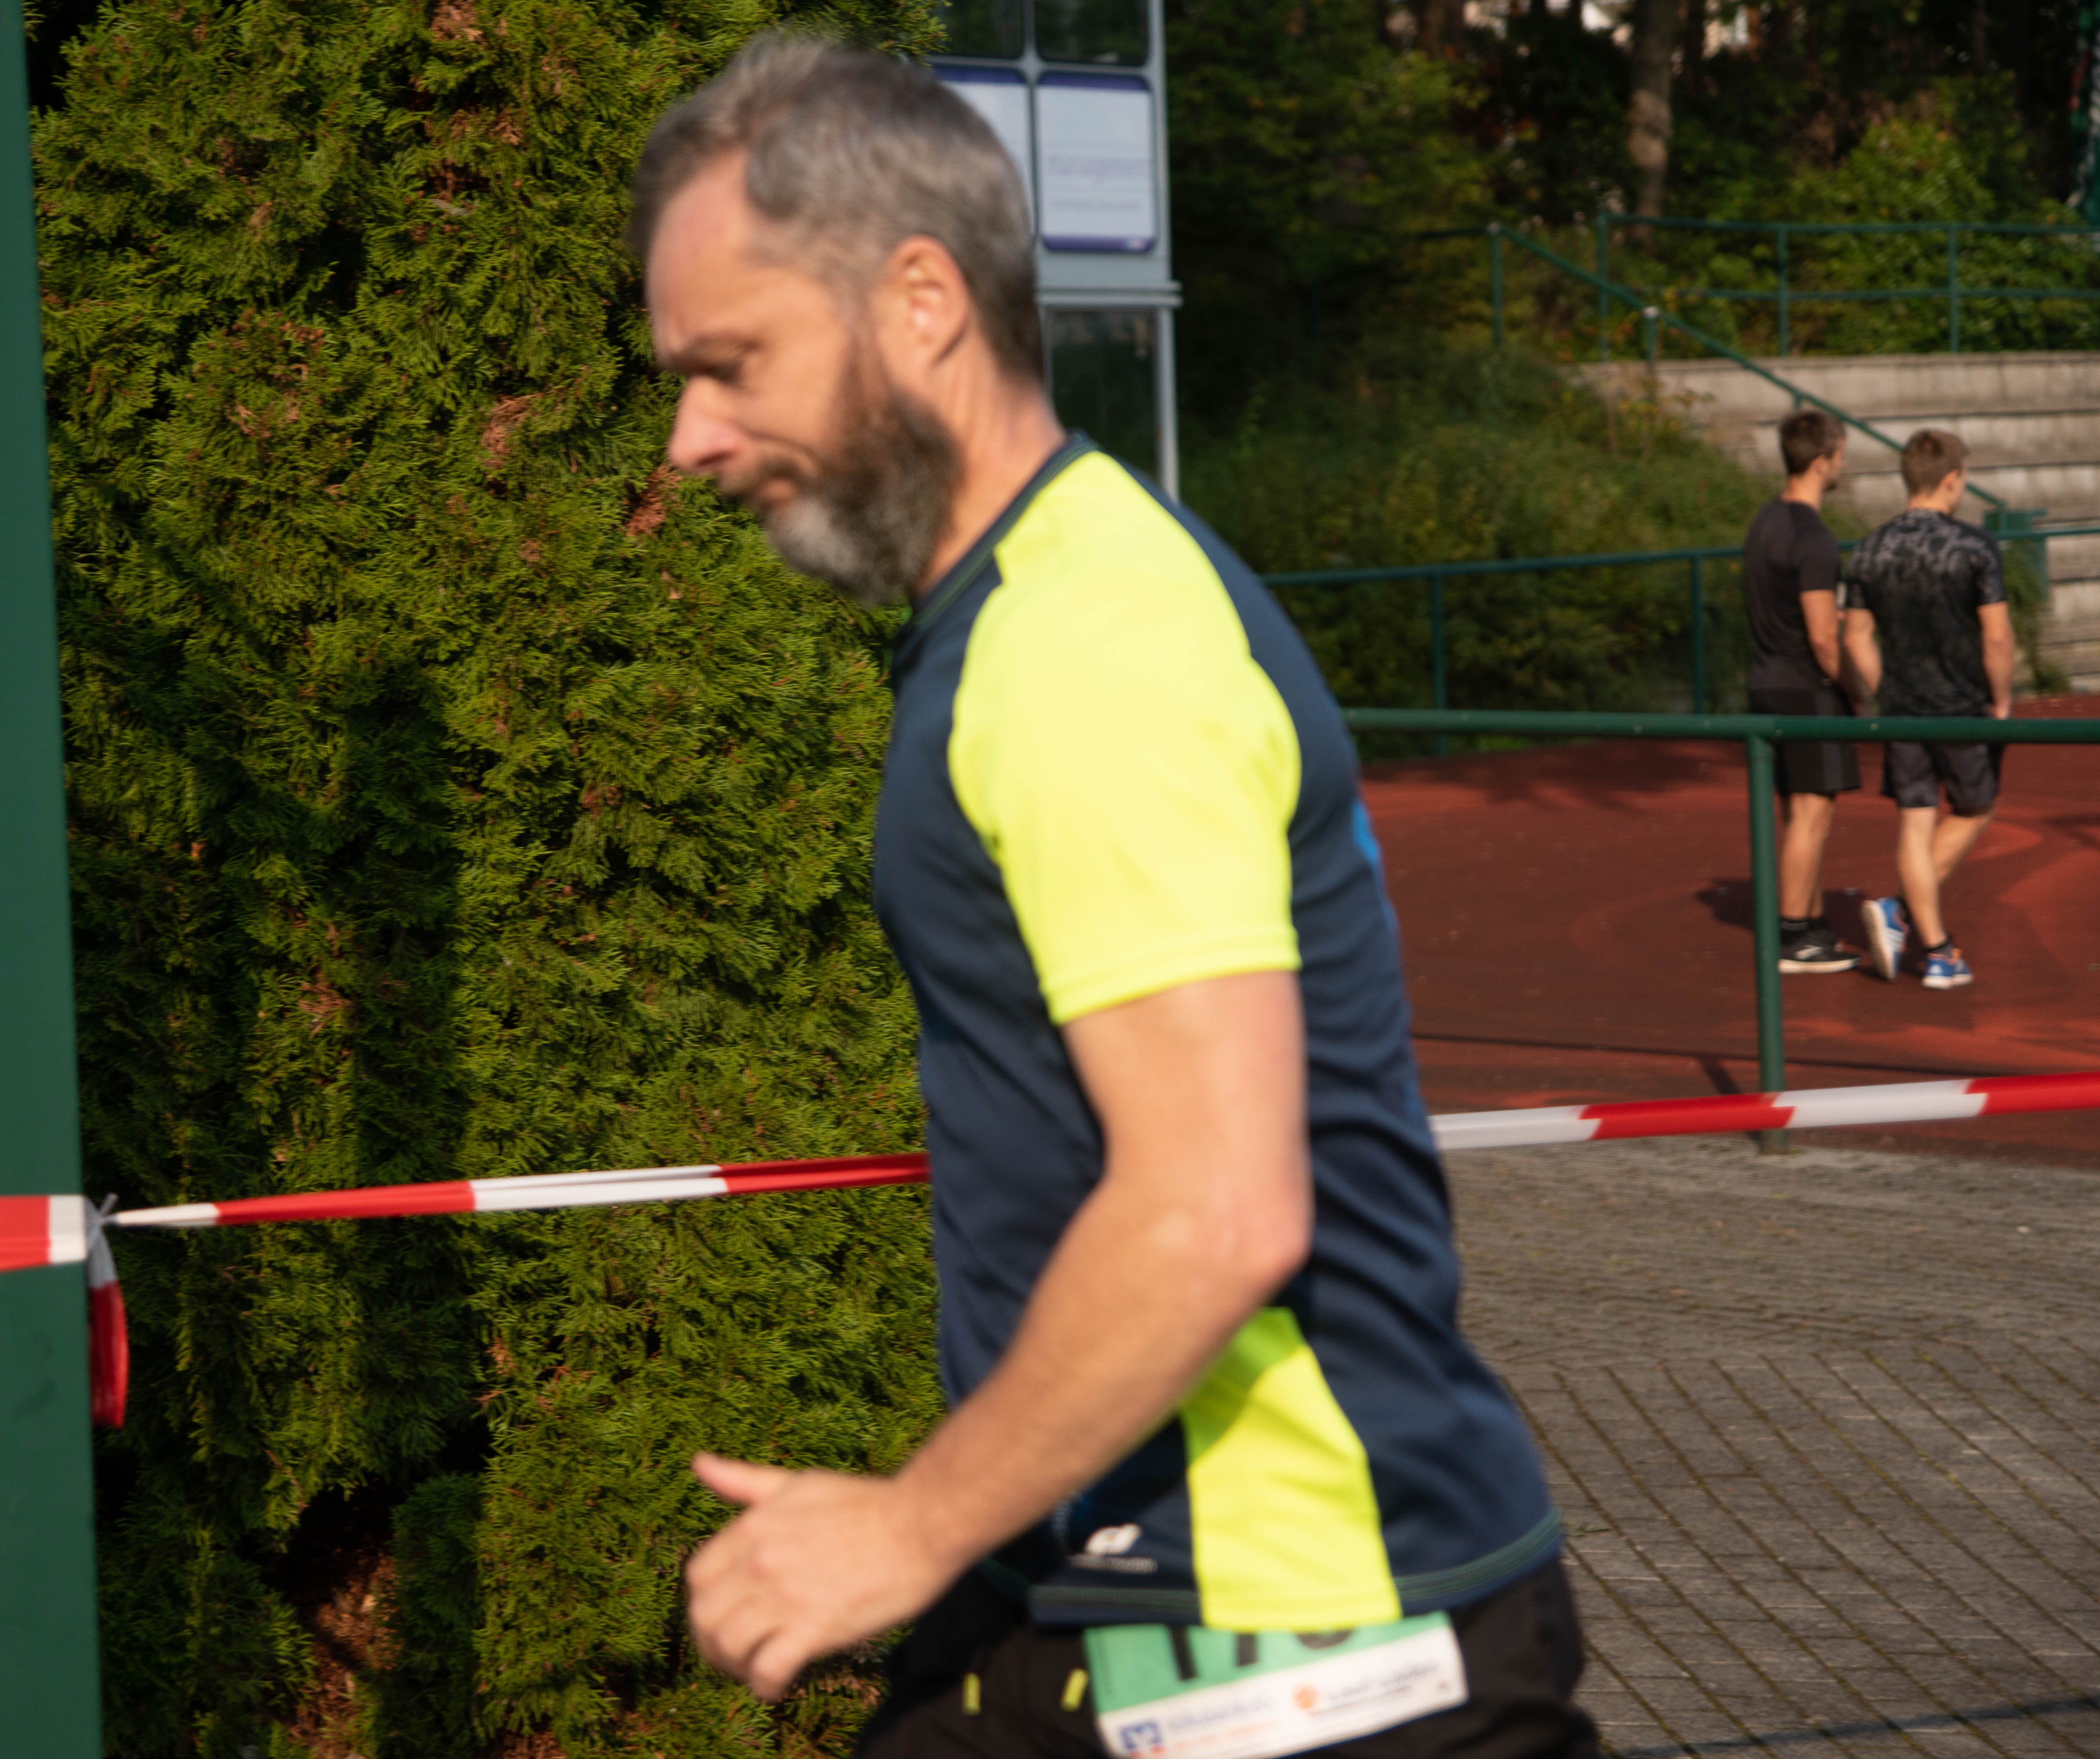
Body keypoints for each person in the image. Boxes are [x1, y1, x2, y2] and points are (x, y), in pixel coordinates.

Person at [631, 36, 1597, 1759]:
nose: (691, 436)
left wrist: (909, 1528)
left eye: (732, 363)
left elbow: (1217, 1208)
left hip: (1295, 1627)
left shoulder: (1083, 646)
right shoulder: (1044, 600)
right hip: (1135, 1581)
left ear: (921, 300)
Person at [1844, 430, 2015, 990]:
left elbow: (1856, 638)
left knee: (1915, 821)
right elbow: (1997, 638)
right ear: (1951, 480)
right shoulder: (1974, 546)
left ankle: (1928, 940)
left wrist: (1889, 690)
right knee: (1976, 807)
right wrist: (2002, 701)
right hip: (1961, 706)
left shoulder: (1869, 549)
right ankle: (1919, 933)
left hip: (1903, 709)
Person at [1740, 409, 1862, 975]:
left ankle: (1811, 925)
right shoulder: (1814, 539)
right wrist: (1856, 691)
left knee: (1800, 814)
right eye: (1840, 456)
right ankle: (1794, 937)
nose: (1842, 465)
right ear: (1820, 463)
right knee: (1813, 814)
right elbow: (1823, 638)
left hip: (1766, 682)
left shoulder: (1764, 521)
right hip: (1806, 689)